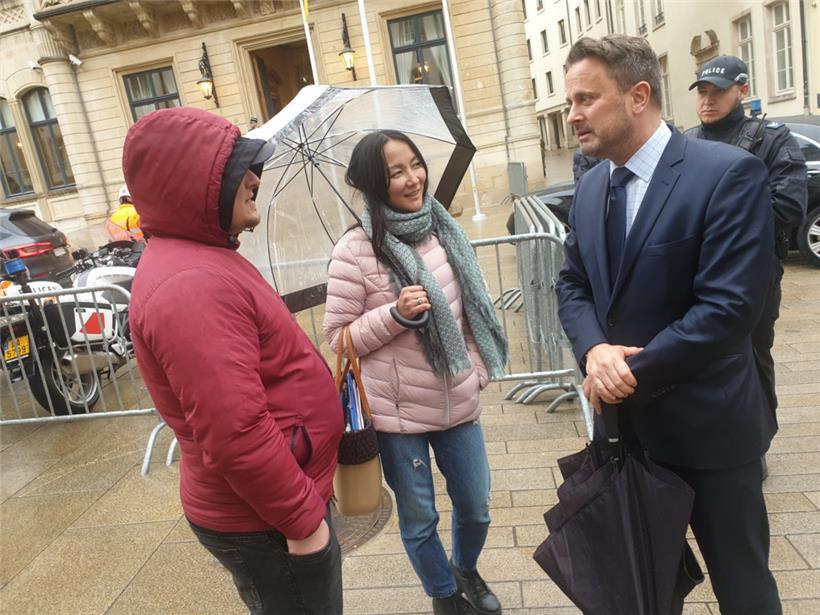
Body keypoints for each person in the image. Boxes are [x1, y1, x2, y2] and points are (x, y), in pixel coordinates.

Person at [555, 35, 781, 614]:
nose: (572, 115)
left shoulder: (727, 174)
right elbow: (573, 285)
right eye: (569, 102)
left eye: (585, 99)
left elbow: (727, 310)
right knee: (639, 593)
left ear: (638, 96)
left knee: (744, 589)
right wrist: (593, 353)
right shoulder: (588, 188)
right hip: (627, 437)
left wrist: (621, 372)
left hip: (712, 433)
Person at [122, 107, 344, 615]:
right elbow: (235, 431)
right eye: (235, 168)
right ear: (193, 184)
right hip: (266, 519)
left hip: (268, 510)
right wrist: (304, 521)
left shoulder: (200, 258)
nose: (254, 178)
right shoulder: (191, 283)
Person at [323, 130, 508, 615]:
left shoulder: (443, 230)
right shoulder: (355, 250)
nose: (413, 179)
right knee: (420, 516)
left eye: (415, 165)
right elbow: (338, 339)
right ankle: (445, 596)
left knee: (476, 506)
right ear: (371, 184)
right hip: (397, 416)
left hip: (458, 401)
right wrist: (395, 315)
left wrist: (477, 370)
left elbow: (470, 311)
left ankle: (464, 567)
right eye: (395, 173)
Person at [684, 55, 807, 461]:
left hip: (752, 278)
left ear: (742, 91)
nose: (707, 100)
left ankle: (756, 446)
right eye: (702, 91)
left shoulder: (771, 139)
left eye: (717, 92)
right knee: (702, 363)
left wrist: (718, 218)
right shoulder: (685, 143)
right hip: (696, 275)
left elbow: (788, 206)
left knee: (752, 359)